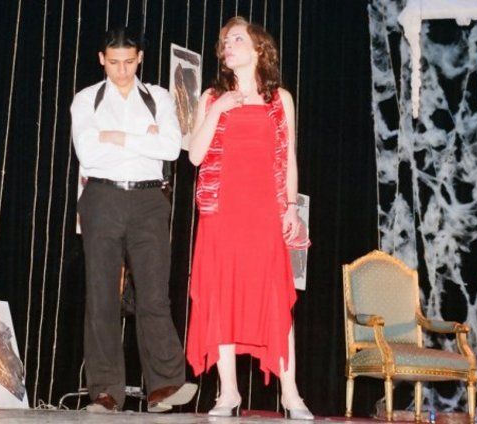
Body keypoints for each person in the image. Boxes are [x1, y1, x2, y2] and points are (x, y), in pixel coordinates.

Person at [186, 16, 313, 420]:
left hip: (263, 213)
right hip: (221, 212)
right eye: (225, 41)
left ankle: (291, 394)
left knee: (274, 299)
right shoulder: (212, 97)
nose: (228, 46)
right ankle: (228, 393)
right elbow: (195, 156)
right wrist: (219, 109)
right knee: (221, 297)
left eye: (237, 39)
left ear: (259, 49)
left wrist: (291, 208)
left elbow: (289, 159)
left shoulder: (280, 99)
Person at [71, 26, 197, 414]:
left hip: (149, 200)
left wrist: (117, 136)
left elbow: (170, 149)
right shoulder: (86, 100)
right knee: (102, 295)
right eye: (114, 63)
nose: (122, 70)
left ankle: (165, 386)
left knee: (154, 293)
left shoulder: (159, 97)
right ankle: (105, 392)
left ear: (140, 58)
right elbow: (89, 153)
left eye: (129, 62)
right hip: (102, 197)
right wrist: (144, 138)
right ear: (101, 59)